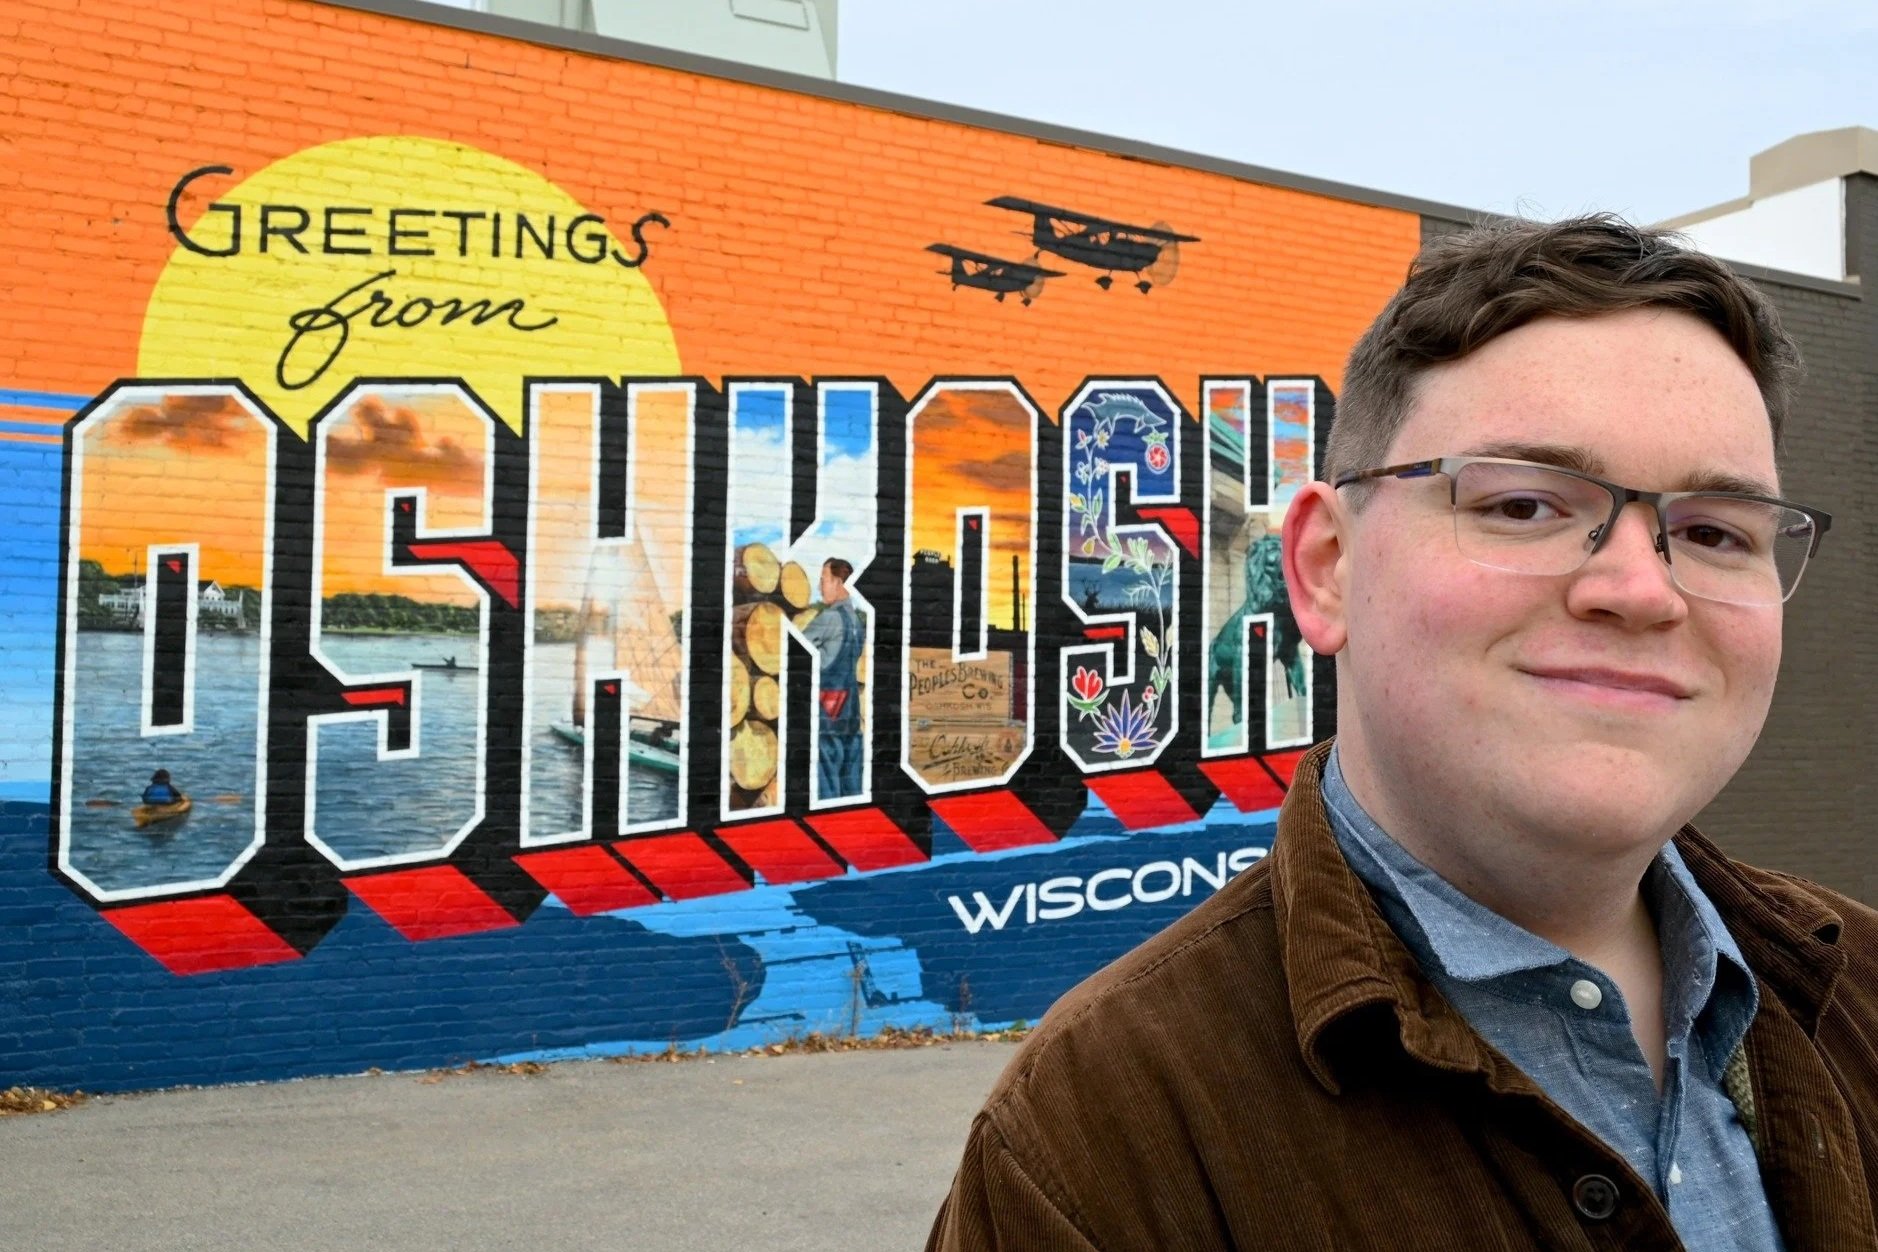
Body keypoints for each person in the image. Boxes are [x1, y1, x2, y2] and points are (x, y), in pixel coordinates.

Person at [927, 215, 1878, 1250]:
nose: (1643, 590)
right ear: (1327, 569)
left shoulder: (1864, 988)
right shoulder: (1092, 1149)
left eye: (1713, 531)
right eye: (1524, 506)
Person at [801, 557, 865, 801]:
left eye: (823, 580)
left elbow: (795, 649)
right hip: (850, 712)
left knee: (827, 793)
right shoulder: (857, 623)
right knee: (852, 789)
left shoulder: (829, 618)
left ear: (839, 583)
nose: (820, 587)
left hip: (828, 712)